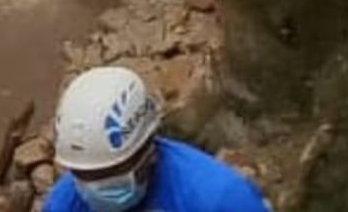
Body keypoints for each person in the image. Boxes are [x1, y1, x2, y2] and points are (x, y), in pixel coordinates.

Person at [46, 66, 269, 212]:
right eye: (83, 176)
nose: (93, 189)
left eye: (111, 177)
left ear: (148, 153)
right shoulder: (66, 201)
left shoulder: (219, 199)